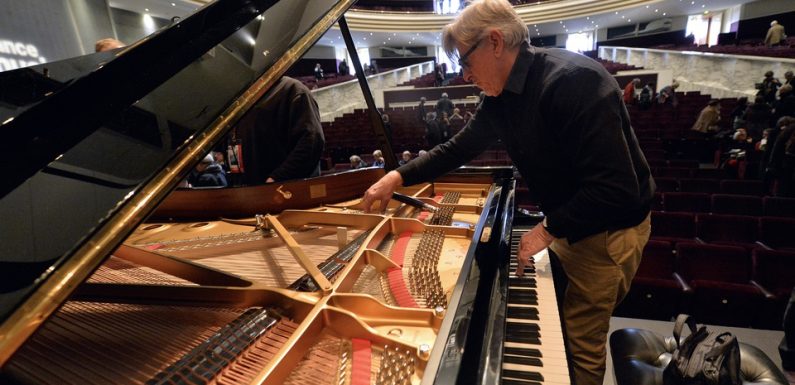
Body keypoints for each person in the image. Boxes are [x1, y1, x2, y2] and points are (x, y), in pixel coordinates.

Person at [358, 2, 653, 385]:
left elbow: (616, 188)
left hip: (606, 233)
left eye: (465, 62)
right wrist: (396, 177)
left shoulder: (573, 81)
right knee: (558, 323)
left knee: (581, 342)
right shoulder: (501, 96)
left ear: (495, 42)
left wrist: (547, 230)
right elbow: (459, 148)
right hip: (569, 220)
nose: (464, 75)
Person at [234, 76, 325, 185]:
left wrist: (278, 177)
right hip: (251, 190)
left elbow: (312, 140)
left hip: (286, 190)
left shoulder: (293, 89)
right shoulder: (243, 98)